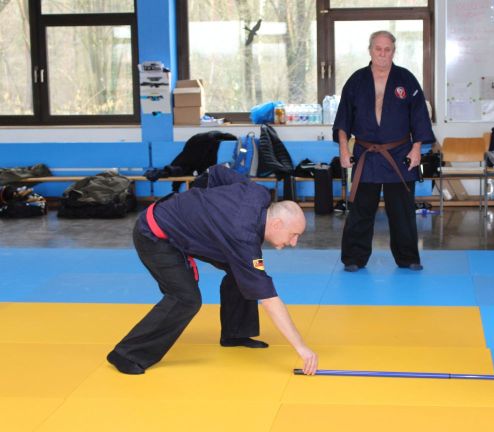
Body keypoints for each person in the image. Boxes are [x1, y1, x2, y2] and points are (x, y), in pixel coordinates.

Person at [107, 164, 318, 375]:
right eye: (294, 235)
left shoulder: (258, 193)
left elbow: (217, 172)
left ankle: (235, 332)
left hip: (184, 230)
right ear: (277, 224)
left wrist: (200, 206)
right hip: (154, 235)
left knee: (242, 272)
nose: (294, 243)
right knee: (186, 298)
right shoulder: (243, 238)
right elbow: (269, 299)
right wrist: (302, 348)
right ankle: (127, 354)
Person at [333, 30, 436, 272]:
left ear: (393, 51)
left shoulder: (406, 79)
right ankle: (354, 258)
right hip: (366, 154)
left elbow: (419, 117)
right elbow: (343, 119)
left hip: (399, 154)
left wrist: (417, 149)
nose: (382, 53)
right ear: (370, 50)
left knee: (402, 210)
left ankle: (408, 257)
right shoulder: (356, 81)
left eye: (387, 49)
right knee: (361, 209)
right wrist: (344, 150)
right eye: (378, 48)